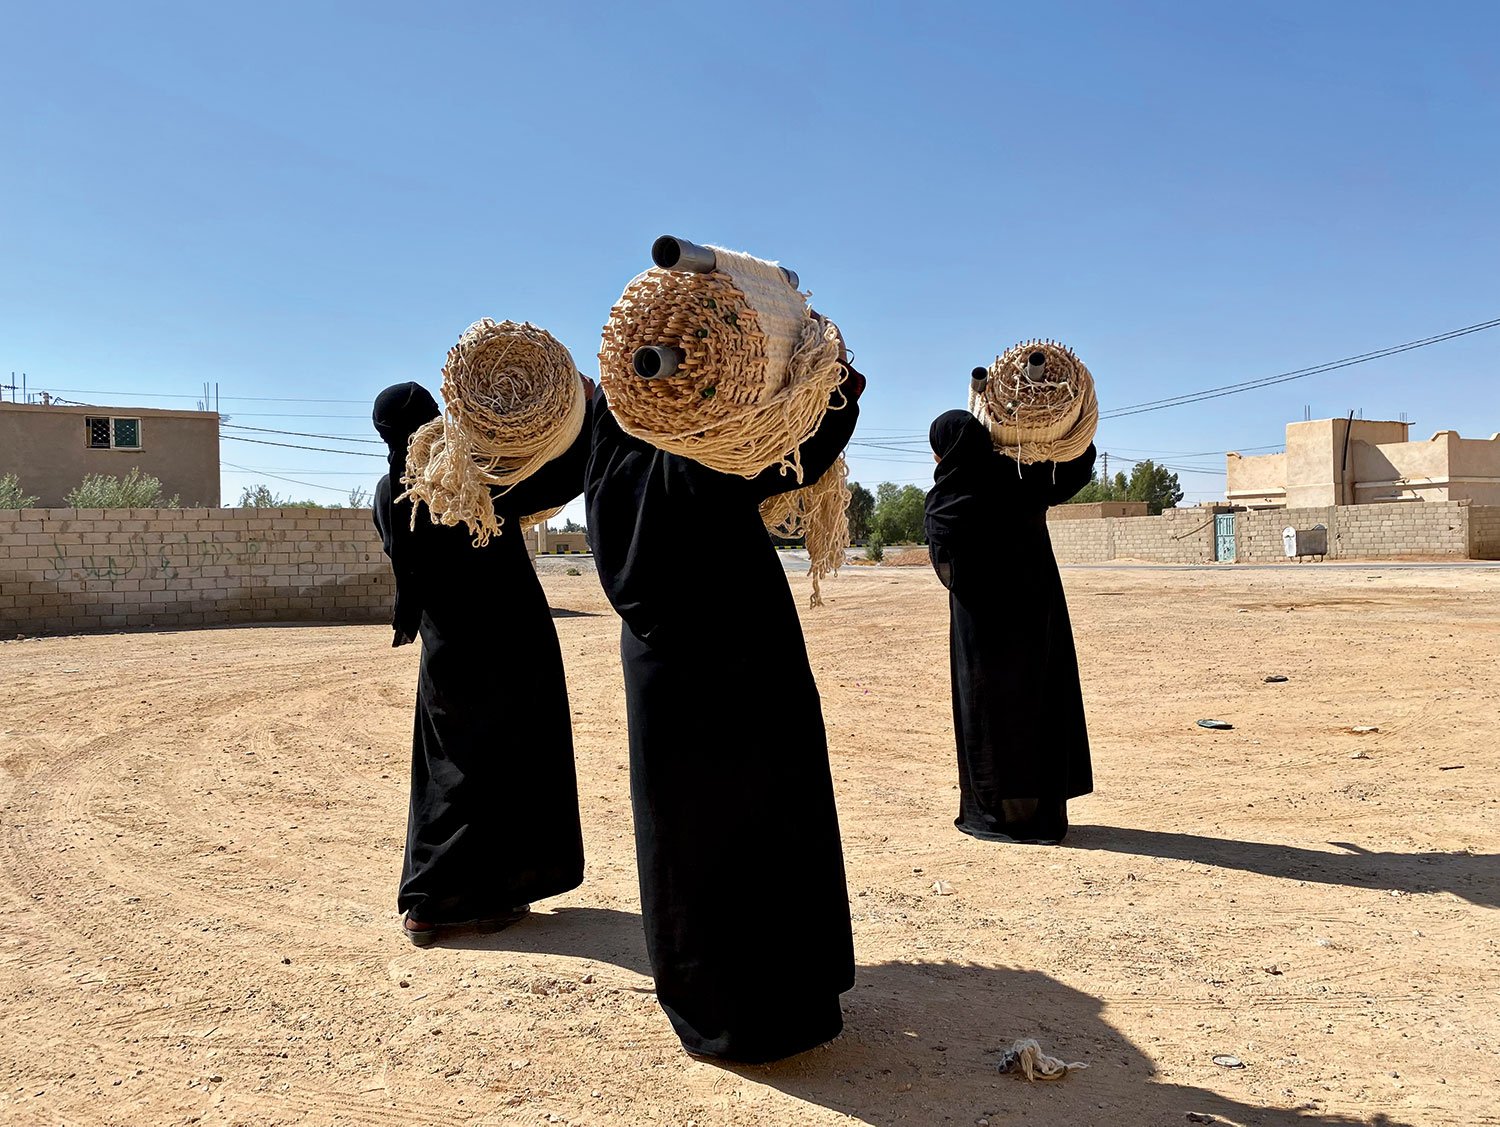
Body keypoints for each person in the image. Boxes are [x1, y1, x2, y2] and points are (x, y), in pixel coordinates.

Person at [584, 363, 865, 1063]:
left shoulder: (606, 475)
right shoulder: (709, 458)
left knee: (686, 832)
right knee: (770, 817)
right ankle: (786, 1000)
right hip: (750, 659)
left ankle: (708, 1000)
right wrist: (835, 388)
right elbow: (795, 455)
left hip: (662, 676)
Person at [372, 379, 593, 946]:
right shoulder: (474, 477)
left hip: (445, 654)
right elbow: (560, 477)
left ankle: (452, 896)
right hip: (508, 646)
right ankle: (440, 905)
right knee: (508, 766)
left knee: (451, 772)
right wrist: (586, 415)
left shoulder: (385, 494)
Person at [923, 409, 1096, 844]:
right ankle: (1041, 813)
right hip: (1035, 618)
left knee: (989, 711)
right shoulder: (1022, 478)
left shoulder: (948, 496)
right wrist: (1058, 425)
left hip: (980, 629)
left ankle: (997, 811)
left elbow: (944, 557)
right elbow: (1074, 467)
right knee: (1037, 701)